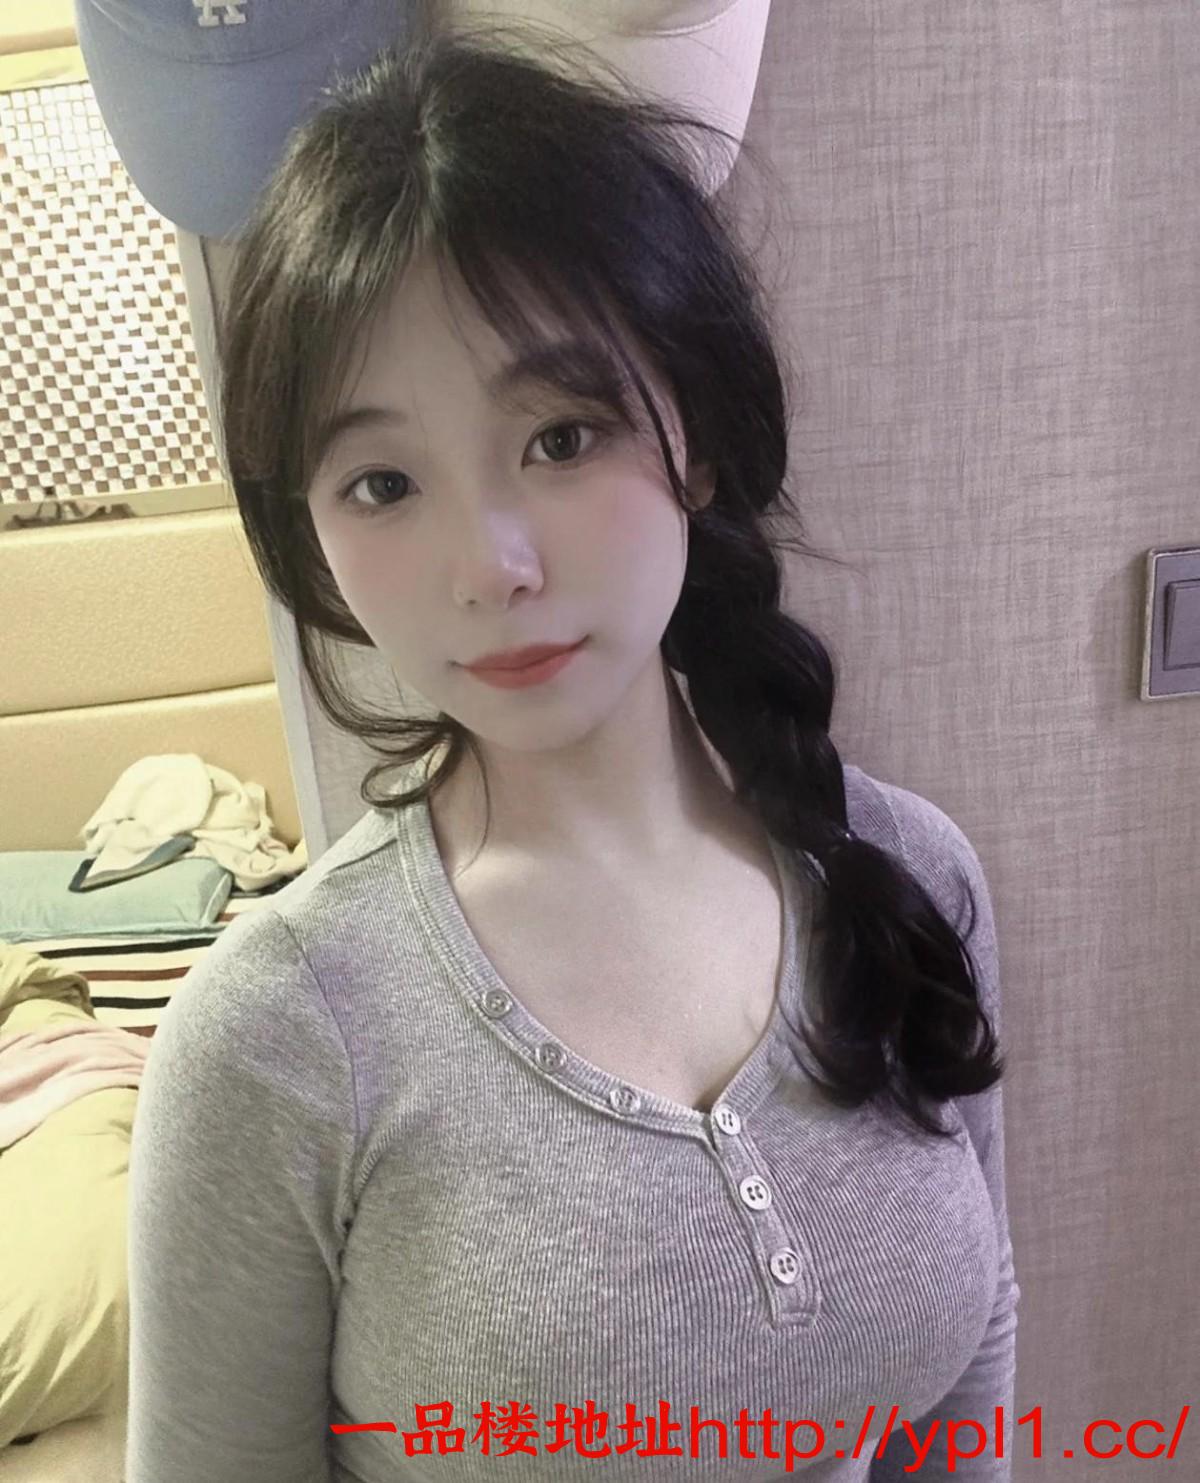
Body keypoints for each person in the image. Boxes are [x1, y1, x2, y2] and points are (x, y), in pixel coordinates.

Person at [124, 16, 1019, 1483]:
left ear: (698, 432)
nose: (492, 567)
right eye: (383, 482)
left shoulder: (915, 876)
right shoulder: (281, 1041)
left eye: (560, 438)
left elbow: (968, 1387)